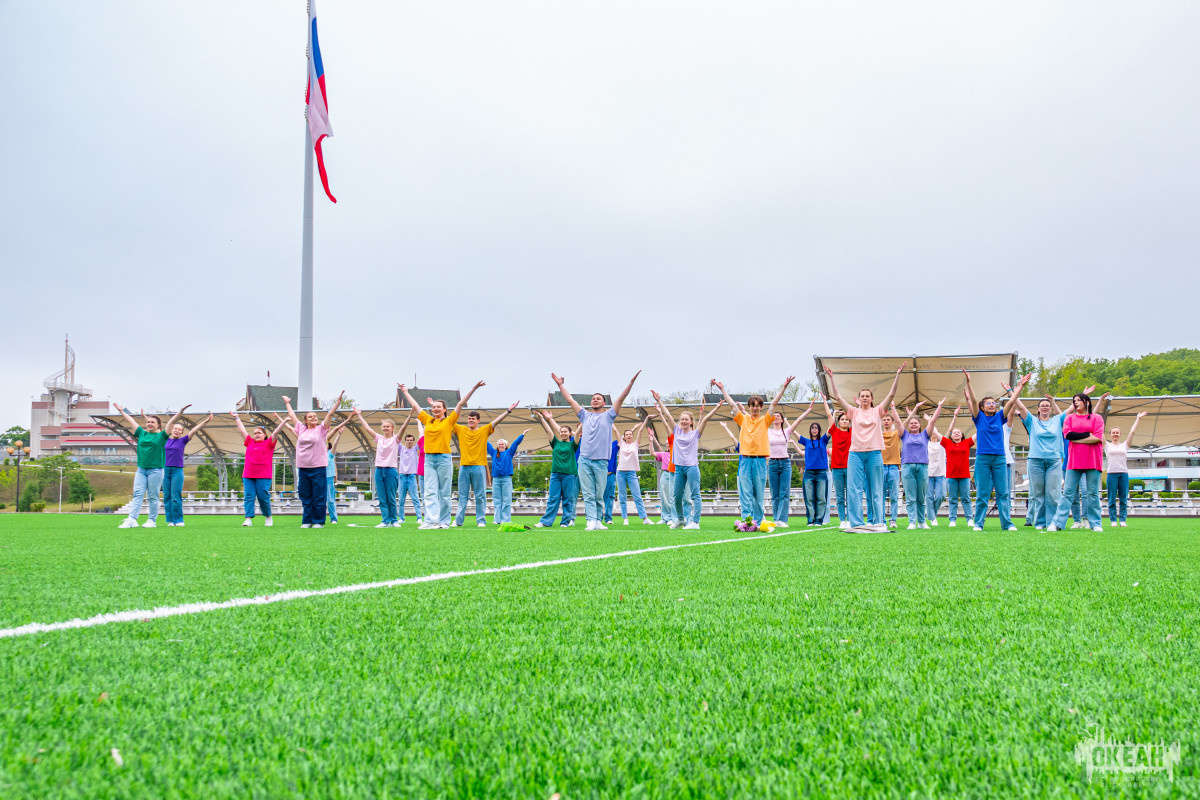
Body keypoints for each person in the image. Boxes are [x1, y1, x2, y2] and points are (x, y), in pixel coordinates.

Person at [550, 371, 641, 531]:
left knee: (599, 494)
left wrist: (631, 383)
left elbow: (621, 398)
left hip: (601, 462)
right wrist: (560, 385)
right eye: (593, 398)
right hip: (584, 460)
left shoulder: (609, 416)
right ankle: (592, 520)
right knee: (588, 493)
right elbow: (570, 400)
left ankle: (598, 520)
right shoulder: (584, 415)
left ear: (604, 403)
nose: (595, 399)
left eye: (598, 398)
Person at [823, 362, 906, 533]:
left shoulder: (878, 411)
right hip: (855, 454)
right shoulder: (853, 412)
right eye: (863, 395)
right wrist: (831, 378)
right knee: (854, 489)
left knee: (876, 489)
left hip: (875, 453)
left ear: (872, 399)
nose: (865, 398)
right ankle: (856, 523)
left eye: (868, 395)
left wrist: (897, 375)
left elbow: (891, 395)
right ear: (859, 398)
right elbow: (838, 398)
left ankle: (878, 521)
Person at [399, 381, 483, 530]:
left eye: (439, 407)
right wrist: (405, 392)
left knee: (444, 492)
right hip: (429, 459)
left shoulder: (450, 421)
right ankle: (431, 521)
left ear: (445, 409)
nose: (435, 409)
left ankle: (444, 522)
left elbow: (461, 403)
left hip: (444, 458)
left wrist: (474, 388)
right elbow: (416, 406)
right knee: (429, 491)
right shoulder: (427, 420)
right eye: (433, 407)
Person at [712, 376, 794, 526]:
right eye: (752, 405)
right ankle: (747, 521)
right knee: (746, 493)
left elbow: (774, 403)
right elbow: (732, 405)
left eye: (757, 405)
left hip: (760, 460)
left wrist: (784, 387)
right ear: (749, 407)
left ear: (761, 407)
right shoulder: (743, 419)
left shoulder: (765, 420)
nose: (755, 408)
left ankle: (759, 519)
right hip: (745, 459)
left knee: (758, 494)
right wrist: (722, 389)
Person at [649, 390, 723, 530]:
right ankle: (681, 520)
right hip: (679, 468)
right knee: (676, 496)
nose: (683, 421)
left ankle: (695, 522)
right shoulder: (676, 431)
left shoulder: (695, 434)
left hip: (692, 467)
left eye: (686, 420)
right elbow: (668, 415)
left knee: (695, 495)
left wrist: (716, 408)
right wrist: (659, 400)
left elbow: (705, 419)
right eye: (682, 419)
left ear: (690, 422)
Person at [113, 402, 191, 529]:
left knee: (152, 496)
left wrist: (180, 412)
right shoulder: (141, 434)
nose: (149, 424)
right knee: (137, 493)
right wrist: (122, 412)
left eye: (152, 422)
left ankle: (151, 520)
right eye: (148, 422)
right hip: (141, 470)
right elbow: (131, 421)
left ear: (158, 425)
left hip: (156, 470)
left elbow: (171, 422)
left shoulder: (162, 436)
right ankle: (132, 519)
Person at [1005, 374, 1064, 530]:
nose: (1044, 407)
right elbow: (1020, 406)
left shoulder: (1057, 421)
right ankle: (1039, 522)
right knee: (1038, 494)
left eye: (1047, 405)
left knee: (1053, 494)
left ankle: (1053, 522)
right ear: (1038, 409)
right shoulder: (1031, 421)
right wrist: (1013, 390)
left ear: (1050, 408)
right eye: (1042, 405)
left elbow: (1069, 411)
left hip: (1053, 461)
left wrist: (1055, 401)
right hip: (1035, 461)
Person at [280, 391, 344, 529]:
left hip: (318, 468)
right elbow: (292, 416)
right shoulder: (301, 429)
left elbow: (329, 415)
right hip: (303, 468)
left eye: (315, 416)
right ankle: (307, 521)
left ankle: (318, 521)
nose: (314, 418)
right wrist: (287, 403)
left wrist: (337, 402)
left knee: (319, 496)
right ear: (305, 420)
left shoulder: (321, 430)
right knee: (305, 495)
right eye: (310, 417)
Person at [963, 370, 1015, 532]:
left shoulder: (1000, 416)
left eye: (994, 403)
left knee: (1003, 493)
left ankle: (1007, 524)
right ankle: (978, 523)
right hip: (983, 459)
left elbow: (1012, 401)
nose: (992, 404)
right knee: (983, 493)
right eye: (989, 403)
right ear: (982, 407)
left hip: (1000, 458)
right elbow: (972, 399)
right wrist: (969, 383)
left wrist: (1018, 387)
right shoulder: (979, 417)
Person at [1047, 392, 1106, 532]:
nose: (1076, 402)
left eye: (1079, 400)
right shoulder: (1069, 418)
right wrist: (1088, 435)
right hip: (1074, 461)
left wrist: (1078, 438)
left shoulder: (1097, 418)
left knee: (1092, 493)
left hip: (1093, 460)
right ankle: (1057, 523)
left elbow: (1098, 438)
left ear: (1087, 402)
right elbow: (1068, 435)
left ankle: (1095, 523)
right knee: (1067, 493)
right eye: (1074, 401)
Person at [453, 402, 518, 528]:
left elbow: (495, 421)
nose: (470, 421)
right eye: (469, 419)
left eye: (473, 419)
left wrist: (508, 410)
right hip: (464, 467)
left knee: (480, 495)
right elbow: (448, 421)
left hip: (479, 467)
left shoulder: (483, 431)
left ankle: (481, 520)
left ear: (478, 421)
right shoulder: (461, 429)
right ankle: (458, 521)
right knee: (462, 495)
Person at [353, 406, 415, 528]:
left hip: (391, 470)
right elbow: (367, 428)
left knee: (391, 496)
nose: (385, 428)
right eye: (384, 426)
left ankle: (394, 520)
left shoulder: (395, 439)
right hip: (379, 470)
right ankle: (385, 520)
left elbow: (403, 428)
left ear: (392, 429)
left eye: (388, 426)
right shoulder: (379, 438)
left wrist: (410, 415)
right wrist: (359, 415)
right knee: (381, 497)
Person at [231, 411, 288, 527]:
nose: (256, 434)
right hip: (248, 475)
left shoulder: (269, 443)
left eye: (259, 433)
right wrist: (237, 417)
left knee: (263, 496)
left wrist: (284, 421)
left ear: (264, 435)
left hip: (264, 475)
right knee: (249, 496)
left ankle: (268, 517)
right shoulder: (249, 442)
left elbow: (276, 432)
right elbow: (242, 430)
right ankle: (248, 519)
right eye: (255, 433)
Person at [897, 399, 946, 530]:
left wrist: (939, 406)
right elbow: (898, 422)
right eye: (911, 423)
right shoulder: (904, 435)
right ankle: (912, 522)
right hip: (908, 467)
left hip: (923, 467)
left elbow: (933, 421)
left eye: (915, 423)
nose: (913, 425)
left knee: (921, 496)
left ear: (919, 425)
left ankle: (922, 522)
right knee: (911, 496)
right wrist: (892, 408)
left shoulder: (925, 435)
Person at [767, 401, 814, 528]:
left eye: (778, 416)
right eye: (774, 416)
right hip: (772, 463)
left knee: (784, 492)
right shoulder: (768, 431)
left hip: (785, 463)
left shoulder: (786, 431)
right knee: (774, 493)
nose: (776, 417)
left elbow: (798, 420)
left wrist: (808, 410)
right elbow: (756, 423)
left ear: (782, 420)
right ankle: (776, 518)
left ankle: (783, 520)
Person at [162, 412, 213, 527]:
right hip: (165, 470)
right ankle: (170, 520)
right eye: (174, 428)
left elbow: (194, 430)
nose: (176, 430)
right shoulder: (165, 440)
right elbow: (157, 429)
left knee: (176, 496)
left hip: (177, 471)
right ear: (171, 430)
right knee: (167, 496)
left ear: (182, 432)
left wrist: (205, 421)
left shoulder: (183, 441)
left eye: (179, 429)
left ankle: (179, 520)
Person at [534, 410, 581, 528]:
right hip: (555, 475)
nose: (563, 433)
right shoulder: (555, 443)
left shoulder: (572, 444)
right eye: (561, 431)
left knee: (568, 499)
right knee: (553, 499)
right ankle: (545, 522)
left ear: (570, 433)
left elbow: (578, 434)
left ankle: (565, 522)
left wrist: (582, 421)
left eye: (565, 432)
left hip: (569, 475)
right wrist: (542, 418)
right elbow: (549, 430)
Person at [1104, 408, 1146, 528]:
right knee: (1111, 499)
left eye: (1117, 432)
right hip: (1111, 474)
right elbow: (1099, 430)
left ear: (1120, 434)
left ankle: (1122, 519)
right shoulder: (1106, 445)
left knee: (1123, 498)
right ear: (1110, 435)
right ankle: (1113, 520)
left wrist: (1137, 419)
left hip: (1123, 474)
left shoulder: (1125, 445)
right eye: (1113, 432)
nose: (1115, 434)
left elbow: (1132, 432)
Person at [613, 414, 656, 525]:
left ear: (632, 436)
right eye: (626, 434)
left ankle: (645, 518)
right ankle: (625, 519)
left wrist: (646, 418)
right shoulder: (621, 444)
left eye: (630, 434)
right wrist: (609, 417)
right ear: (624, 436)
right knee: (622, 496)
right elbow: (615, 430)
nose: (628, 436)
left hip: (631, 473)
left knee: (637, 496)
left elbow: (641, 431)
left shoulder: (635, 445)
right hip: (620, 473)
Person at [939, 406, 973, 527]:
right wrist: (954, 416)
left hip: (964, 475)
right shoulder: (947, 443)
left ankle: (969, 519)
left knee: (966, 498)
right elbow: (938, 432)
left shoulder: (967, 442)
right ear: (951, 436)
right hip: (951, 475)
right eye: (954, 432)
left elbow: (979, 430)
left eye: (958, 432)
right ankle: (952, 520)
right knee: (952, 499)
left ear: (962, 435)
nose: (956, 433)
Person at [823, 398, 853, 530]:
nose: (845, 421)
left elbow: (859, 418)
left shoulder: (853, 432)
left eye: (847, 419)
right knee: (840, 496)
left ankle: (851, 519)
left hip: (850, 467)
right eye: (842, 419)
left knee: (851, 495)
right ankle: (842, 520)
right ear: (839, 422)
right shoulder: (834, 431)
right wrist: (826, 402)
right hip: (837, 467)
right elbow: (829, 416)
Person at [488, 428, 528, 525]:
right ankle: (497, 520)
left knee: (506, 500)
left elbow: (515, 444)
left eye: (502, 444)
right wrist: (483, 434)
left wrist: (522, 434)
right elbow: (486, 444)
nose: (501, 445)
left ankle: (505, 520)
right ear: (497, 446)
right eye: (499, 444)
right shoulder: (494, 453)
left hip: (506, 479)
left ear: (505, 446)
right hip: (496, 479)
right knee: (497, 500)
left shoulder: (509, 452)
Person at [798, 415, 831, 527]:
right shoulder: (806, 442)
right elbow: (793, 432)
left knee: (821, 497)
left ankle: (819, 520)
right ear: (810, 430)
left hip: (821, 472)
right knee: (809, 497)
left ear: (819, 430)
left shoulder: (824, 440)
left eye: (816, 428)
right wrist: (788, 422)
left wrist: (833, 414)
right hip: (809, 473)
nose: (814, 429)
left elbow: (831, 428)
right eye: (812, 428)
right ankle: (810, 519)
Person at [323, 416, 352, 525]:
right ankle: (318, 518)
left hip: (329, 478)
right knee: (319, 500)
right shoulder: (317, 454)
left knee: (330, 500)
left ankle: (333, 518)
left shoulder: (330, 454)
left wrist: (339, 434)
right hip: (318, 478)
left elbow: (335, 445)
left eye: (326, 444)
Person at [647, 427, 677, 525]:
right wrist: (651, 441)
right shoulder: (664, 454)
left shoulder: (677, 453)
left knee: (672, 497)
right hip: (665, 475)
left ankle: (672, 518)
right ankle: (664, 518)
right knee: (664, 497)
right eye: (667, 444)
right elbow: (652, 453)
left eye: (669, 443)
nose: (668, 445)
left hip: (675, 475)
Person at [924, 411, 947, 526]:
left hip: (941, 474)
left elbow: (936, 431)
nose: (933, 433)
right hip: (928, 474)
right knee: (928, 496)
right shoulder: (926, 443)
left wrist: (930, 420)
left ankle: (932, 513)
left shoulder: (942, 444)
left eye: (935, 432)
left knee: (941, 495)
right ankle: (933, 518)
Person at [880, 410, 902, 529]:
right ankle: (882, 520)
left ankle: (893, 520)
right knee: (881, 496)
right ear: (882, 422)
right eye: (884, 420)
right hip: (881, 467)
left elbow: (904, 423)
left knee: (894, 496)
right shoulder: (878, 434)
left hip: (894, 467)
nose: (886, 421)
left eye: (888, 419)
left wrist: (894, 409)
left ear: (892, 422)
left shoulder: (896, 433)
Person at [397, 424, 421, 525]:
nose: (409, 441)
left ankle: (419, 518)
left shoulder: (415, 449)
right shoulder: (401, 449)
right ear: (405, 441)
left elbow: (422, 438)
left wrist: (419, 424)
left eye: (411, 440)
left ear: (413, 441)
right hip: (402, 476)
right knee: (401, 500)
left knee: (415, 499)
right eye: (408, 440)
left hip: (411, 477)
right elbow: (395, 439)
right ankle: (401, 518)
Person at [603, 437, 620, 525]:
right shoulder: (596, 444)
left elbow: (623, 437)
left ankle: (608, 518)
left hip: (610, 475)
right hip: (598, 475)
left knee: (609, 497)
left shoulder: (614, 445)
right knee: (594, 497)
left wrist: (634, 429)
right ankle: (595, 518)